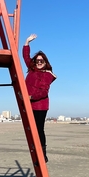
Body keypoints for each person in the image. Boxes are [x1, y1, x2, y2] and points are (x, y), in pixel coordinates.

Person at [23, 34, 56, 162]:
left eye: (42, 61)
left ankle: (43, 154)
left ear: (45, 62)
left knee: (39, 129)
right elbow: (26, 57)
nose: (39, 62)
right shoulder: (31, 70)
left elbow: (43, 92)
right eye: (37, 60)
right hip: (28, 104)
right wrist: (27, 42)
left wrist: (31, 96)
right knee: (32, 130)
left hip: (41, 106)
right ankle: (36, 152)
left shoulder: (47, 74)